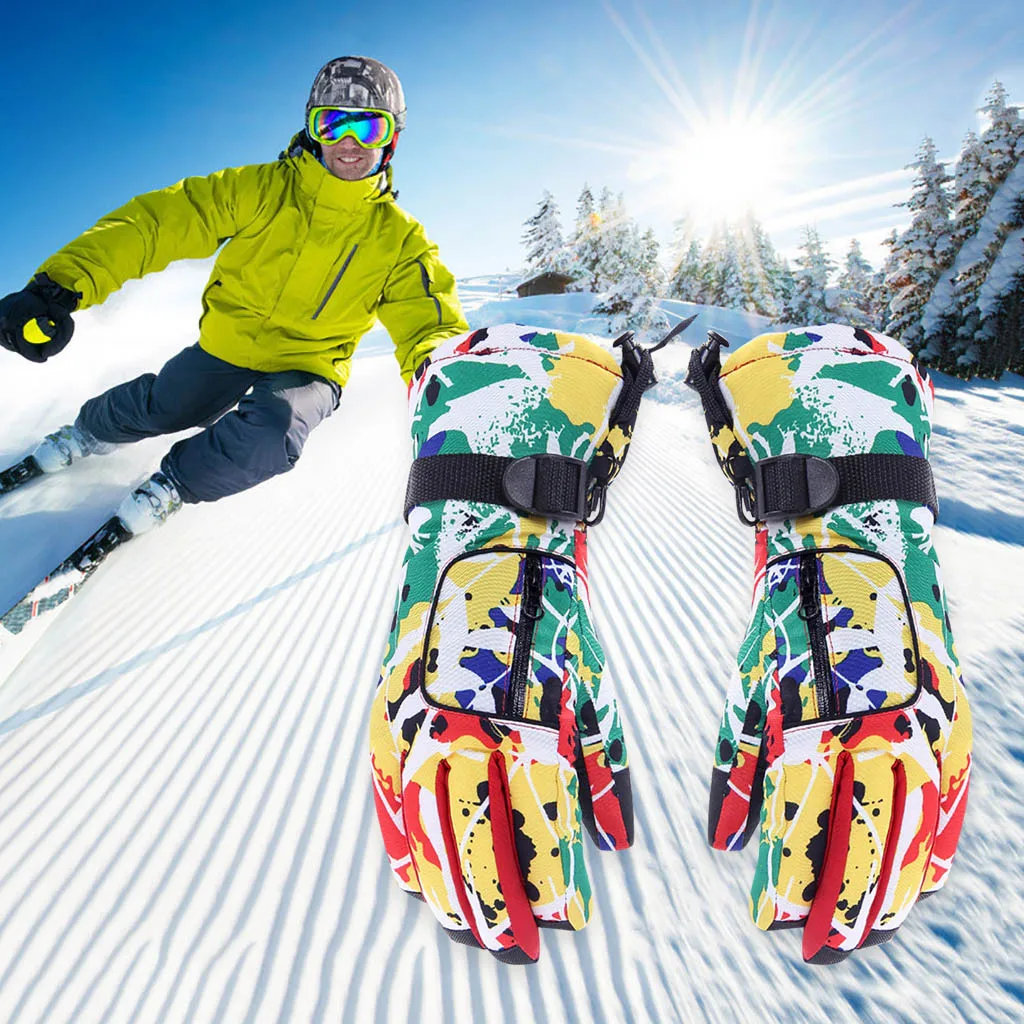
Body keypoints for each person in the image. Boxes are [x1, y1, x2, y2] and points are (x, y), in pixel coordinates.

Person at [0, 56, 468, 534]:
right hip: (228, 342)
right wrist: (58, 285)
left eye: (367, 128)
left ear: (391, 139)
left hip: (311, 364)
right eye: (331, 123)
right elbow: (157, 224)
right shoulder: (261, 190)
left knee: (272, 431)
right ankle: (86, 434)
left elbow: (431, 327)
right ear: (313, 130)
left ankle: (172, 486)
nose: (348, 143)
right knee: (166, 404)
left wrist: (461, 390)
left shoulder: (401, 242)